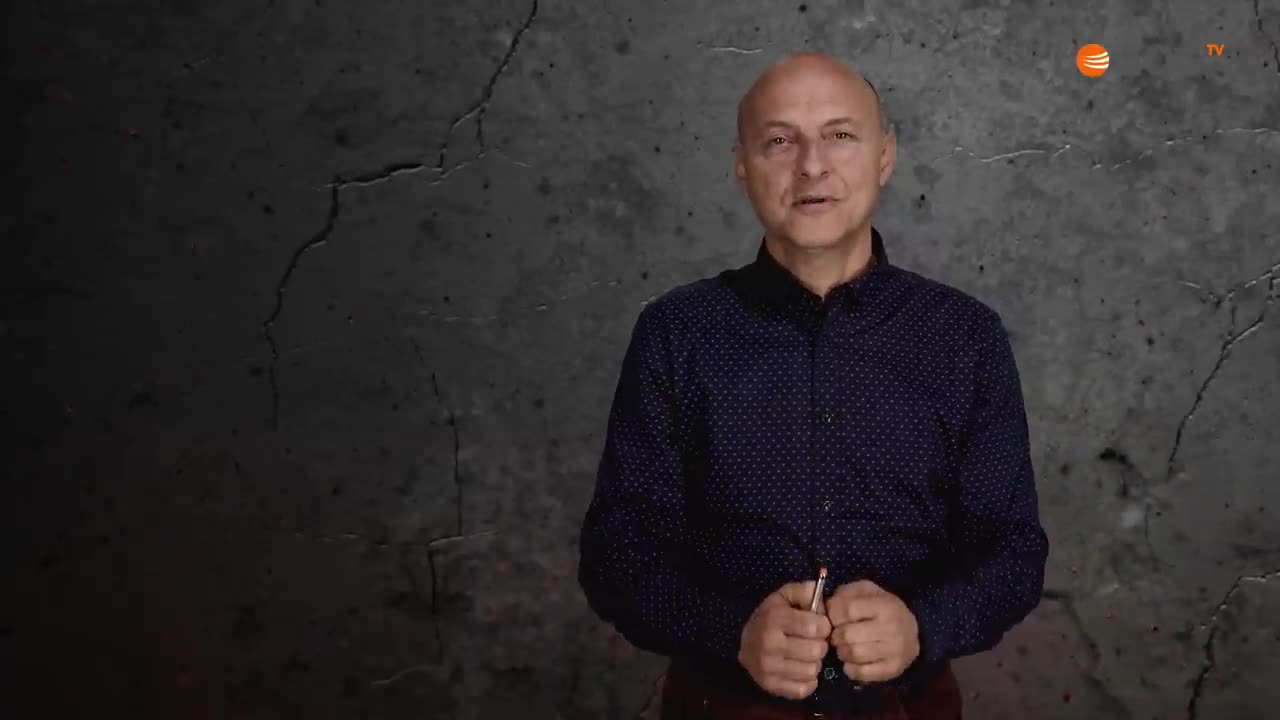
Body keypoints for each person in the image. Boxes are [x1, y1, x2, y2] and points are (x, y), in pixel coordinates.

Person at [577, 51, 1049, 719]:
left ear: (884, 156)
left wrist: (921, 625)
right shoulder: (676, 335)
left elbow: (1012, 551)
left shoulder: (963, 338)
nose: (810, 165)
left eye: (840, 135)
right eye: (778, 141)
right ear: (742, 164)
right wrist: (733, 629)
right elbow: (617, 554)